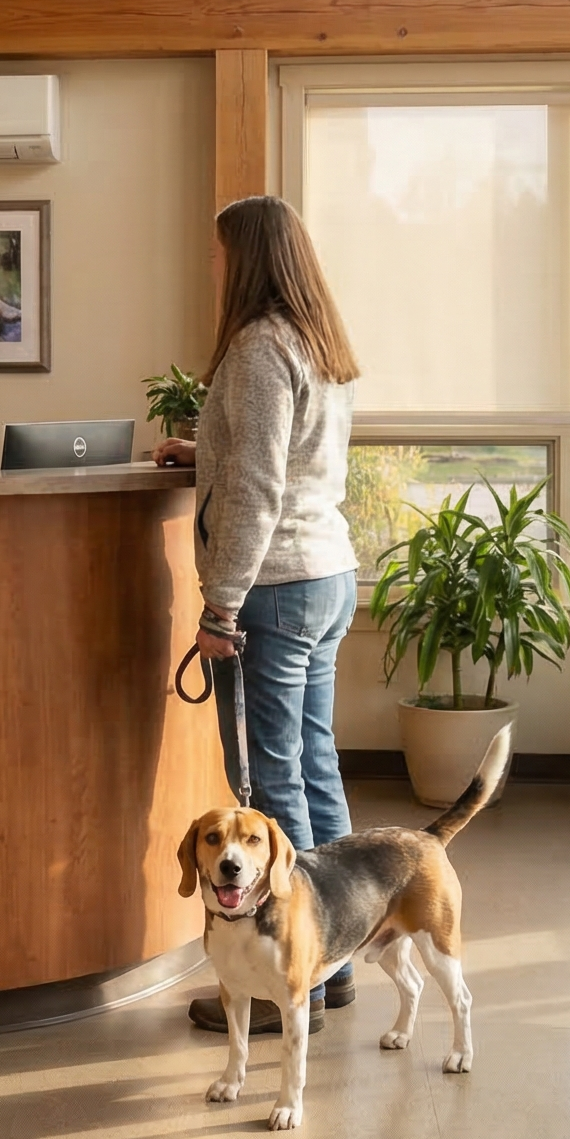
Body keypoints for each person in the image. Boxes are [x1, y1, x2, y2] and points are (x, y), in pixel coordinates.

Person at [156, 195, 363, 1035]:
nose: (211, 268)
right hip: (328, 574)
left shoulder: (255, 345)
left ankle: (295, 988)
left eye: (217, 255)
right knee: (315, 770)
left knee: (272, 785)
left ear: (244, 259)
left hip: (273, 589)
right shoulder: (318, 341)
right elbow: (280, 456)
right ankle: (337, 964)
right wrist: (203, 450)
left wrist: (223, 605)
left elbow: (257, 489)